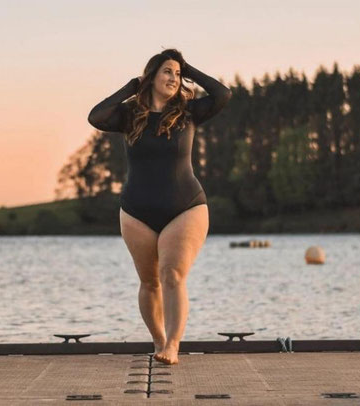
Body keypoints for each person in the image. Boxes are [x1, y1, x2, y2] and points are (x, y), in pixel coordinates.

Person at [87, 49, 231, 365]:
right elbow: (96, 116)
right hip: (136, 211)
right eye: (167, 71)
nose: (173, 78)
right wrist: (131, 87)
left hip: (185, 208)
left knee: (172, 275)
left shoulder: (190, 112)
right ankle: (159, 340)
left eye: (177, 74)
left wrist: (188, 67)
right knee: (149, 281)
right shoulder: (129, 116)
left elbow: (222, 94)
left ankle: (174, 345)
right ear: (152, 76)